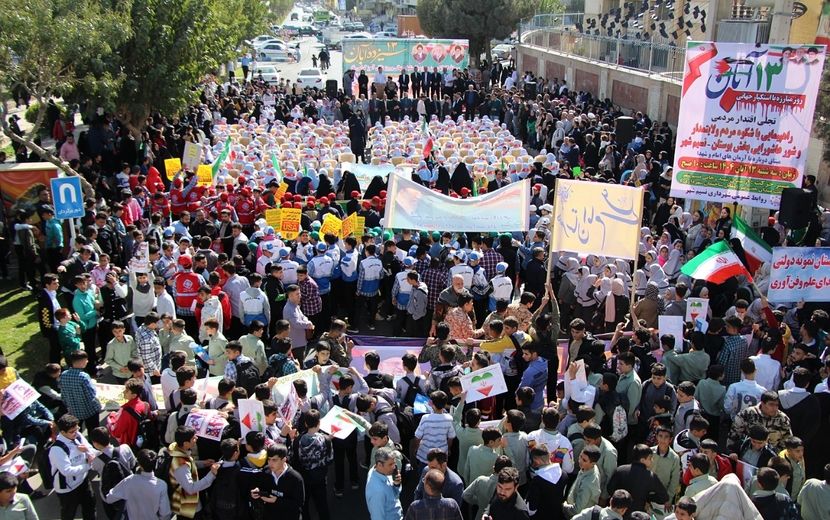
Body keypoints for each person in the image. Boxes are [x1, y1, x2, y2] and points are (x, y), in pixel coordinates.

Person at [49, 414, 96, 520]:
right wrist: (88, 466)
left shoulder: (77, 436)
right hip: (67, 489)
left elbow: (90, 448)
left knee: (90, 508)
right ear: (62, 432)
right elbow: (67, 471)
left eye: (77, 429)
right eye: (72, 431)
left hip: (83, 481)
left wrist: (88, 451)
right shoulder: (57, 449)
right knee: (69, 514)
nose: (76, 433)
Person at [103, 449, 171, 520]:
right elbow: (165, 514)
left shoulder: (129, 481)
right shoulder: (161, 485)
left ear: (140, 464)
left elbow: (109, 498)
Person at [250, 444, 305, 520]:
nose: (270, 463)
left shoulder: (295, 478)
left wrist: (277, 501)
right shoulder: (266, 471)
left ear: (284, 459)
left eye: (274, 460)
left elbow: (298, 503)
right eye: (269, 459)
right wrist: (257, 492)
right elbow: (262, 487)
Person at [365, 446, 403, 520]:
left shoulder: (377, 470)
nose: (394, 467)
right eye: (390, 464)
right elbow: (377, 517)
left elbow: (394, 495)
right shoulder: (377, 492)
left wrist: (396, 484)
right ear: (379, 465)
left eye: (394, 463)